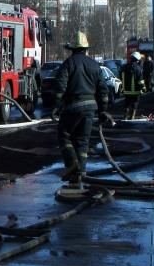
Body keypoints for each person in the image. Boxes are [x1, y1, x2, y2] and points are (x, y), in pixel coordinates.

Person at [52, 31, 113, 187]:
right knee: (83, 142)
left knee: (64, 135)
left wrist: (57, 105)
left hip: (72, 106)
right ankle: (82, 174)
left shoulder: (68, 63)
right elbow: (103, 90)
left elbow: (60, 86)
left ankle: (72, 164)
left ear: (72, 49)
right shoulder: (94, 65)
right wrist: (103, 110)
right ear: (86, 49)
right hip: (90, 108)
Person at [120, 51, 145, 119]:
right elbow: (140, 81)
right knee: (134, 105)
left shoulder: (124, 67)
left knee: (127, 104)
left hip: (126, 91)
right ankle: (131, 118)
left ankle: (125, 116)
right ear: (137, 59)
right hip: (135, 92)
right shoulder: (138, 68)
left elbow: (120, 78)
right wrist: (143, 88)